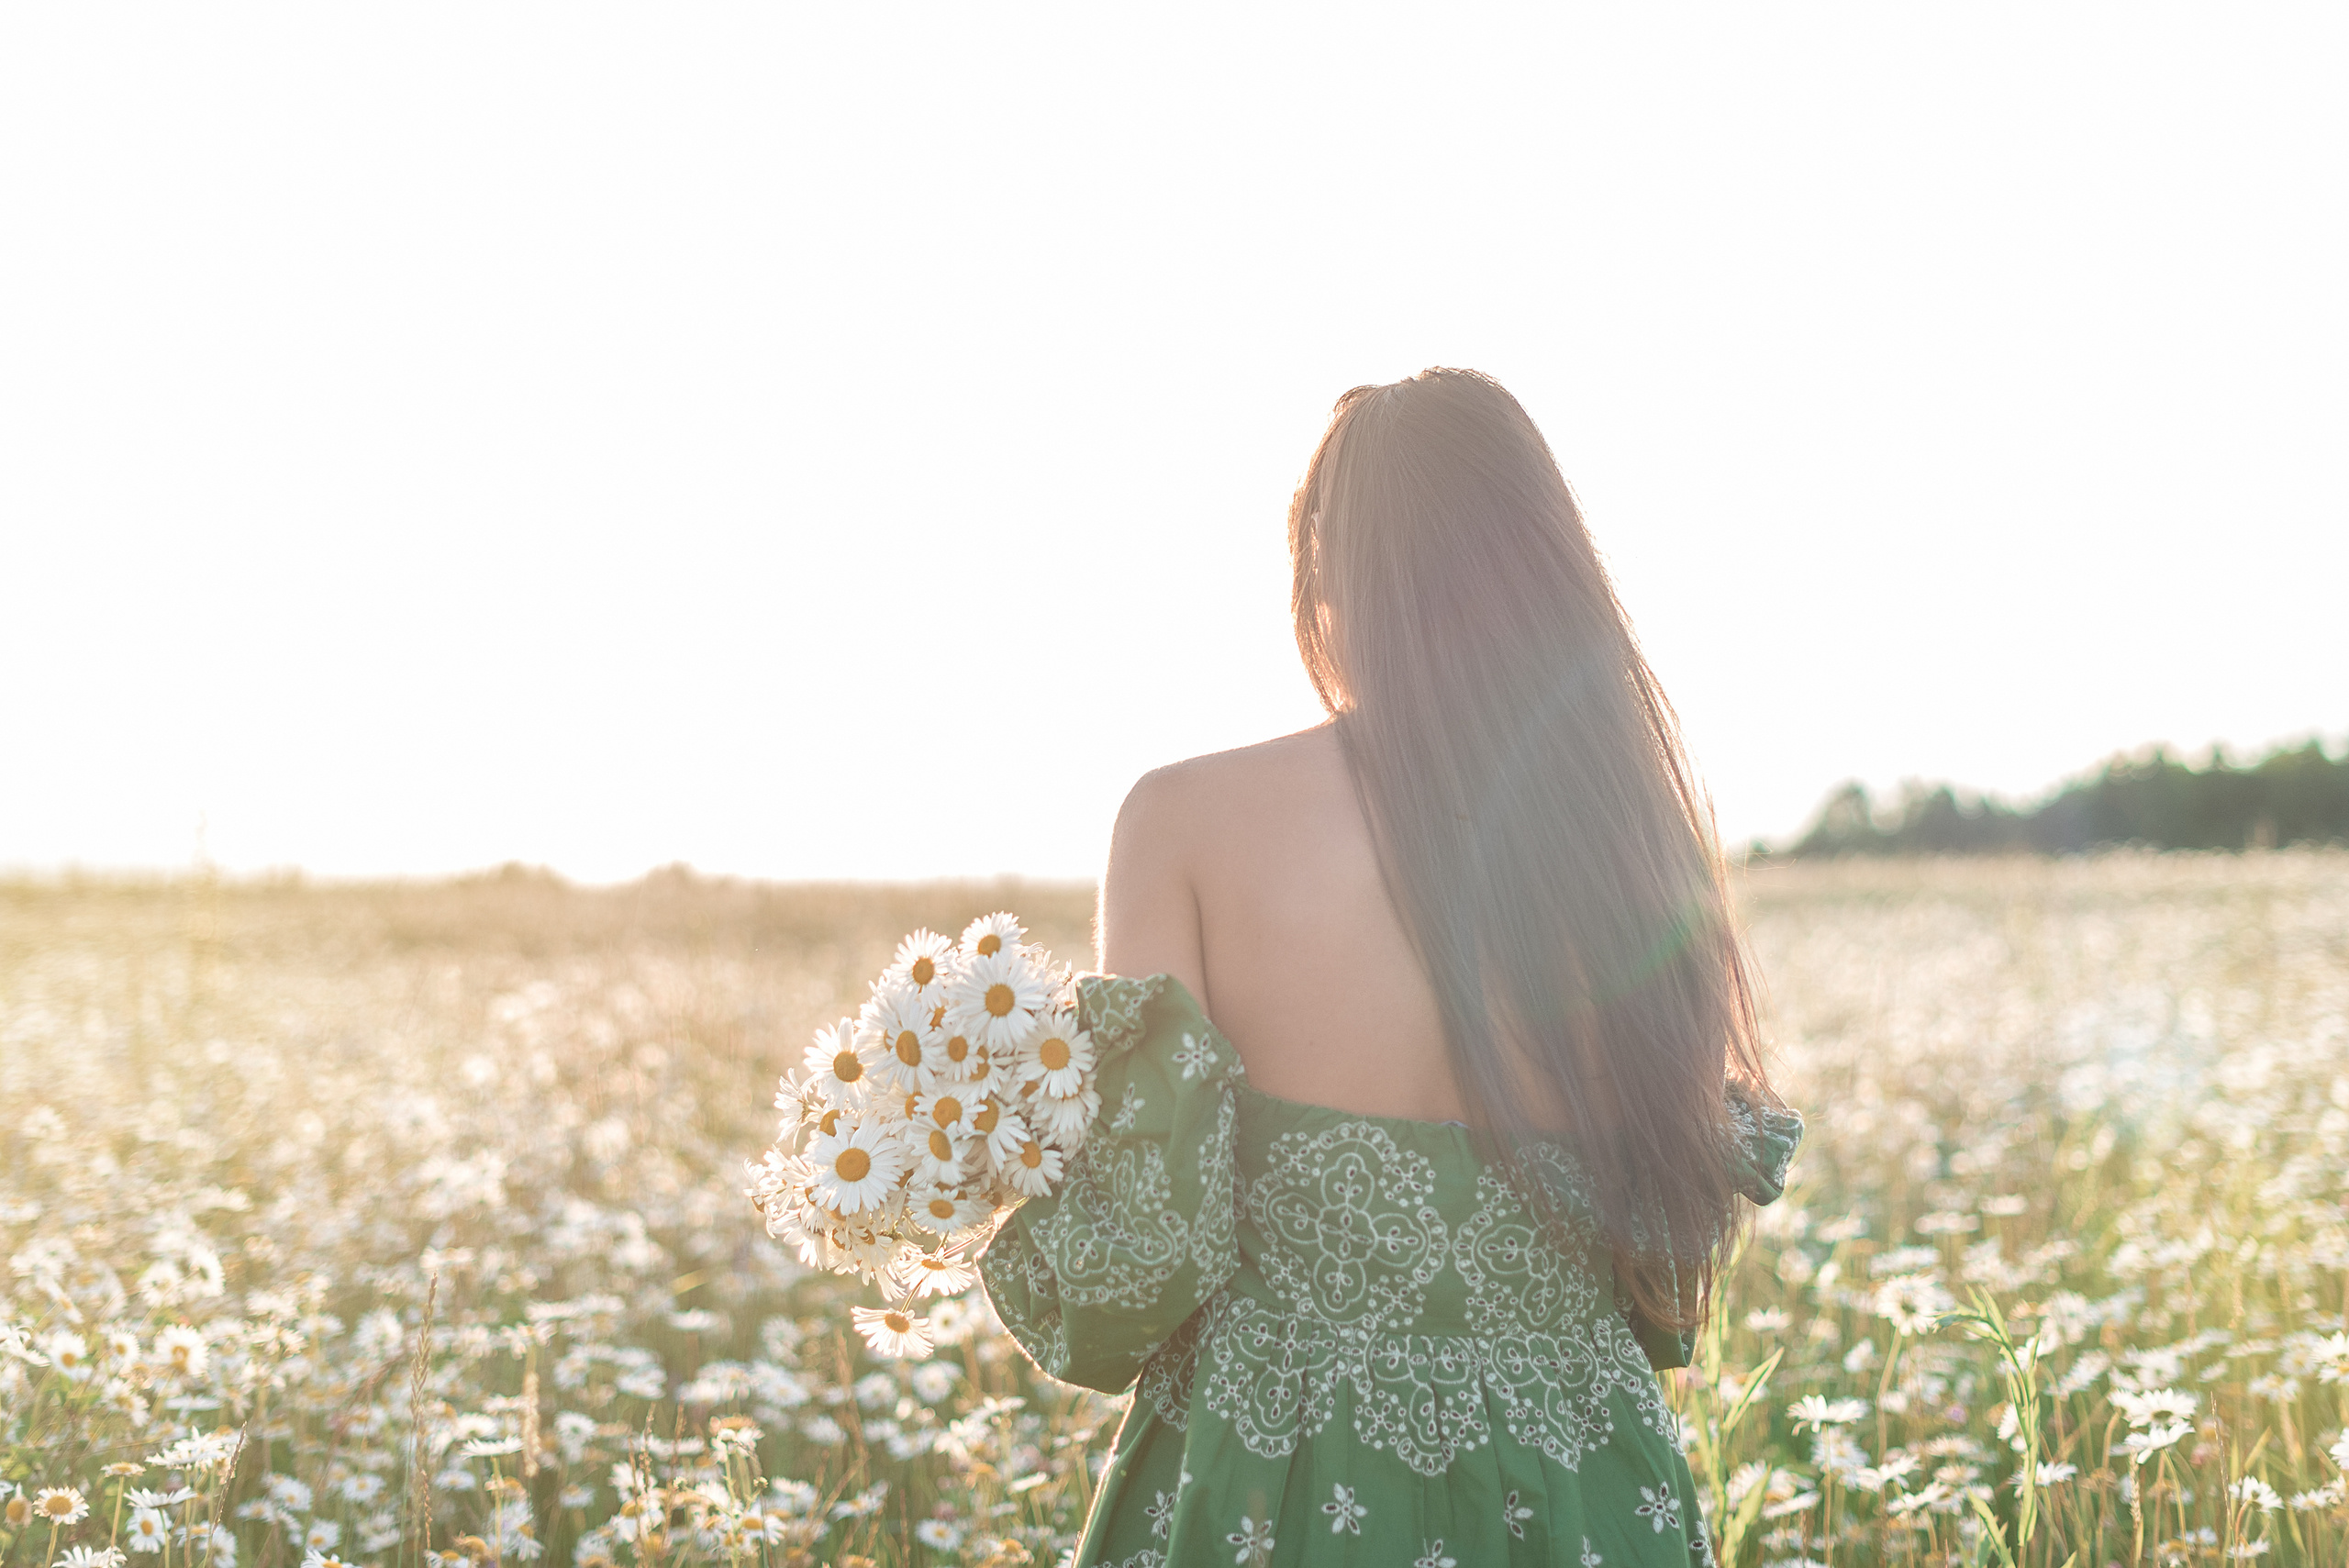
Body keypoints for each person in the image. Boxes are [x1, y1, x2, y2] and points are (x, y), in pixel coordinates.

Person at [979, 368, 1800, 1566]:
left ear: (1324, 570)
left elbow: (1142, 1257)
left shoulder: (1182, 820)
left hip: (1277, 1469)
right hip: (1573, 1476)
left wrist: (982, 1157)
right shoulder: (1624, 835)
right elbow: (1668, 1278)